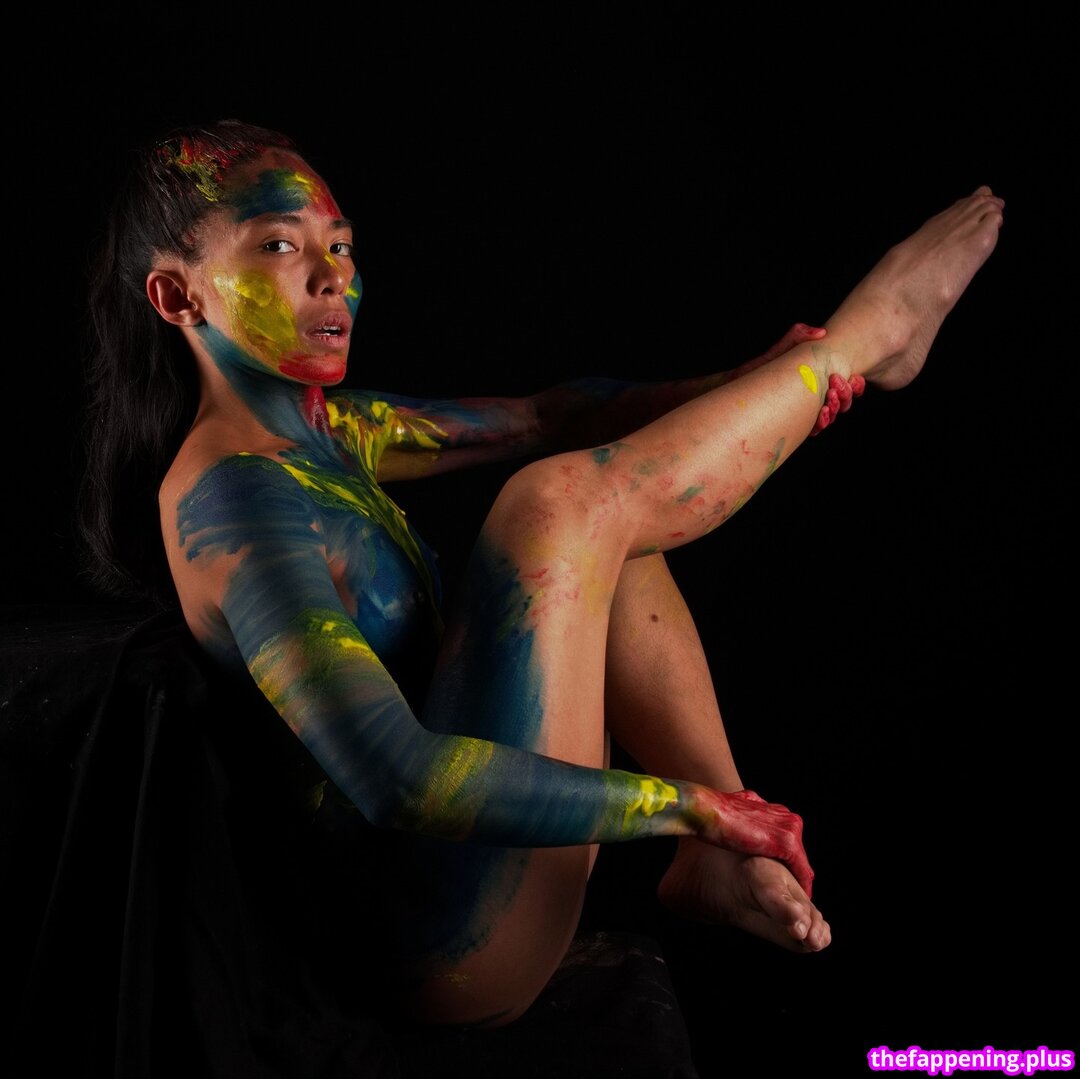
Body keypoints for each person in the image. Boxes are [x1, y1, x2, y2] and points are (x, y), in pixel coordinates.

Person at [79, 119, 1003, 1028]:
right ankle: (865, 342)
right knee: (554, 507)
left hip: (473, 885)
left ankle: (721, 858)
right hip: (432, 944)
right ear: (176, 296)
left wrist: (762, 373)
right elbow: (398, 779)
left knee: (603, 528)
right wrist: (691, 810)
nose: (333, 276)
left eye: (342, 244)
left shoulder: (329, 434)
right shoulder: (236, 497)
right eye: (280, 245)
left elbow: (549, 416)